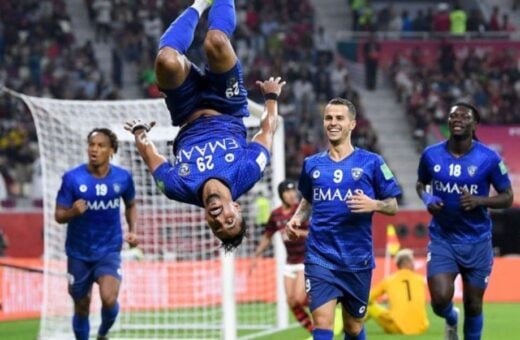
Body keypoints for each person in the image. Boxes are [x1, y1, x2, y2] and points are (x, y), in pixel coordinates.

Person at [125, 0, 285, 251]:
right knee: (216, 43)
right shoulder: (247, 172)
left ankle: (199, 5)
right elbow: (267, 132)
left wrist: (139, 132)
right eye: (229, 220)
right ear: (237, 207)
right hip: (227, 105)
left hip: (185, 110)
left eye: (217, 226)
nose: (220, 218)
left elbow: (150, 156)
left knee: (166, 61)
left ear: (207, 221)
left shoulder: (177, 188)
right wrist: (272, 99)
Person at [287, 98, 401, 340]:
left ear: (352, 124)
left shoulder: (372, 162)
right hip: (320, 257)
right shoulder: (312, 165)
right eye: (329, 118)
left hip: (356, 260)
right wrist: (297, 218)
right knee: (322, 323)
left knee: (353, 327)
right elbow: (308, 200)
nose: (333, 123)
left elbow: (393, 205)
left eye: (339, 118)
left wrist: (374, 204)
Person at [416, 102, 513, 340]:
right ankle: (450, 317)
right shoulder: (431, 154)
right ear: (448, 122)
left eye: (464, 116)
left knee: (474, 305)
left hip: (477, 241)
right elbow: (421, 184)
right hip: (443, 239)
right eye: (453, 116)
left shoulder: (489, 158)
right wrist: (428, 197)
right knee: (439, 300)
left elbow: (508, 197)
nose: (457, 119)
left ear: (474, 124)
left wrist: (480, 201)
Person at [55, 128, 138, 340]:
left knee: (109, 298)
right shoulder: (72, 178)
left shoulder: (123, 178)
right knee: (81, 306)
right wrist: (73, 211)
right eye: (91, 144)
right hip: (78, 252)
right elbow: (59, 215)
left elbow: (130, 204)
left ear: (111, 150)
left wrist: (133, 231)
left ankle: (102, 334)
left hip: (109, 250)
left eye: (101, 145)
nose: (94, 149)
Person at [249, 180, 312, 333]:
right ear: (281, 195)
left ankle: (328, 307)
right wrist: (256, 256)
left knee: (299, 297)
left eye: (293, 191)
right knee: (291, 301)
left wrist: (300, 233)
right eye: (287, 192)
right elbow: (267, 237)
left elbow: (315, 233)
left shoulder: (301, 211)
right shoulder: (276, 214)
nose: (291, 195)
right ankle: (314, 331)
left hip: (306, 260)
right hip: (290, 262)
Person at [366, 248, 429, 335]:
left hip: (397, 327)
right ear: (406, 263)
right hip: (421, 327)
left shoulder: (389, 280)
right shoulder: (420, 280)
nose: (413, 264)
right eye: (412, 261)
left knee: (367, 306)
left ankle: (351, 327)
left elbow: (368, 299)